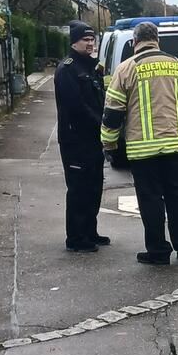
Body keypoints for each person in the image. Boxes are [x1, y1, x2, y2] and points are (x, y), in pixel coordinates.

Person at [101, 22, 178, 265]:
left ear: (135, 42)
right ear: (157, 40)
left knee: (151, 202)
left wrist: (109, 144)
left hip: (142, 152)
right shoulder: (177, 65)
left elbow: (112, 113)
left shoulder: (126, 69)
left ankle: (158, 251)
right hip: (175, 148)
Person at [54, 21, 108, 253]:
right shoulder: (68, 69)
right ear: (74, 41)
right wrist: (99, 123)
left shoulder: (92, 67)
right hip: (75, 139)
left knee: (94, 186)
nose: (90, 43)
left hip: (94, 138)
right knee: (78, 188)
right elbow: (75, 106)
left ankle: (90, 231)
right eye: (85, 40)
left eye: (92, 39)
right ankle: (76, 237)